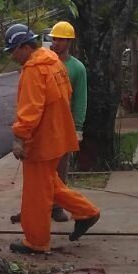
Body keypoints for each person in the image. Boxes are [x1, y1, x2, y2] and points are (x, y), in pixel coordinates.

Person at [3, 23, 100, 255]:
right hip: (57, 137)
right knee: (50, 183)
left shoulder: (35, 70)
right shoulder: (54, 63)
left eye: (13, 51)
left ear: (25, 47)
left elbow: (30, 109)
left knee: (37, 194)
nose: (12, 56)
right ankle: (87, 212)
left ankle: (36, 242)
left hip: (41, 142)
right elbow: (66, 96)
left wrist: (20, 137)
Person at [48, 21, 87, 223]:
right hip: (46, 125)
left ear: (69, 42)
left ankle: (57, 206)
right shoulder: (45, 64)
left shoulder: (77, 68)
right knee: (39, 170)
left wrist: (78, 127)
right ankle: (36, 205)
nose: (56, 43)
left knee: (60, 168)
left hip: (64, 125)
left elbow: (80, 99)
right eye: (54, 39)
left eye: (61, 39)